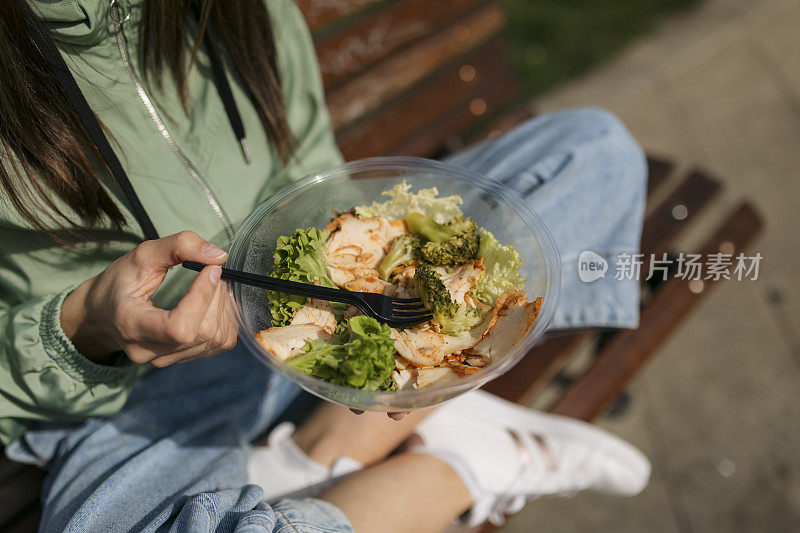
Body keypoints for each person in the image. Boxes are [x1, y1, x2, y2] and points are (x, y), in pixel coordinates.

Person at [0, 1, 649, 531]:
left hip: (316, 311)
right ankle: (461, 463)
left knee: (592, 153)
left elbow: (309, 166)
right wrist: (87, 323)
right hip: (134, 403)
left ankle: (311, 459)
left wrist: (363, 269)